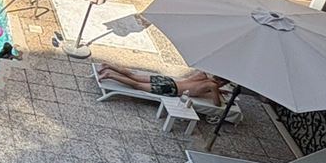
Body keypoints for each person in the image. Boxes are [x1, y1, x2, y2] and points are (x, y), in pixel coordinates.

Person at [95, 62, 229, 105]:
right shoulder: (212, 86)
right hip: (171, 89)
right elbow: (217, 104)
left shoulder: (203, 75)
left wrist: (219, 90)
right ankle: (110, 75)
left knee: (133, 76)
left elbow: (198, 86)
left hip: (170, 81)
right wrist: (217, 92)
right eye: (223, 84)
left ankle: (108, 66)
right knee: (137, 85)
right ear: (221, 82)